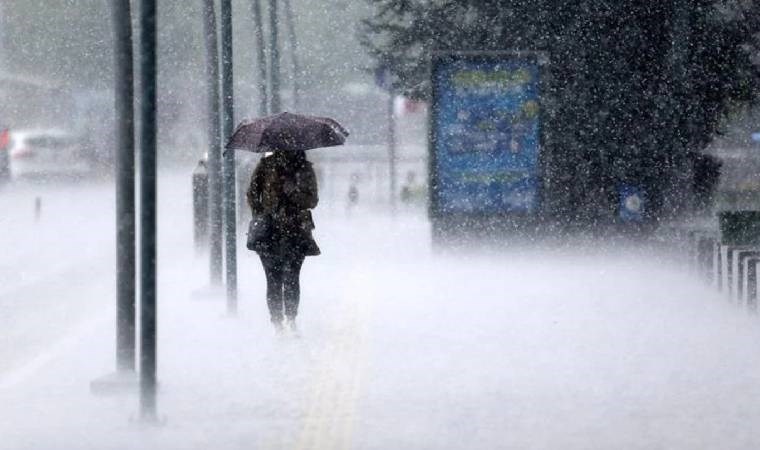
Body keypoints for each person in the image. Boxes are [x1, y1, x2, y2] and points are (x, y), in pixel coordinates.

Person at [247, 150, 320, 334]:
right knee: (273, 279)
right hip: (269, 232)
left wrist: (293, 192)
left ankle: (291, 318)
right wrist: (262, 213)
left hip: (295, 230)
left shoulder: (304, 168)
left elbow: (312, 200)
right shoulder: (266, 166)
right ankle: (277, 322)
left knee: (292, 278)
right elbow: (252, 194)